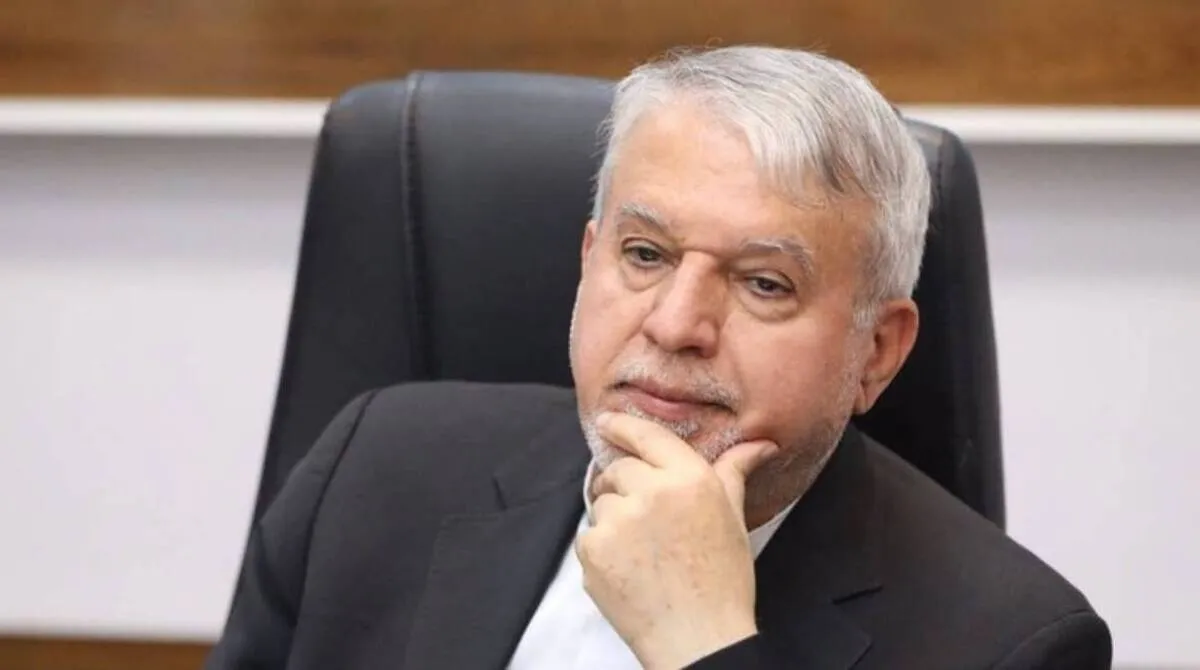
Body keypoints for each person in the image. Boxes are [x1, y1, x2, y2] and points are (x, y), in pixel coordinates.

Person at [206, 46, 1112, 669]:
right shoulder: (375, 466)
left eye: (764, 283)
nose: (676, 324)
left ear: (877, 351)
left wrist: (706, 645)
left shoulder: (1009, 643)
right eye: (644, 255)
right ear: (588, 259)